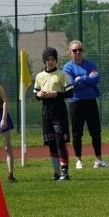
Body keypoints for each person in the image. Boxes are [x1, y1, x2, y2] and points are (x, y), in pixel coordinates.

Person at [63, 40, 109, 170]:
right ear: (70, 53)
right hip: (75, 103)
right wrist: (87, 79)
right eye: (75, 50)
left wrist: (81, 78)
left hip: (90, 102)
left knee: (95, 131)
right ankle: (78, 160)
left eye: (80, 50)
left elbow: (96, 79)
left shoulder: (90, 64)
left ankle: (98, 160)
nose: (78, 52)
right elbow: (72, 85)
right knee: (77, 132)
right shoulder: (67, 67)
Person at [34, 47, 74, 181]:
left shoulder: (61, 74)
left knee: (60, 141)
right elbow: (36, 94)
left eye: (53, 59)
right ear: (44, 61)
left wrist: (56, 94)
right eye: (48, 59)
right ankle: (56, 172)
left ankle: (65, 171)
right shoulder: (40, 76)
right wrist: (39, 94)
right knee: (50, 141)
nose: (50, 62)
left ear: (56, 60)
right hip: (46, 111)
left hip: (59, 110)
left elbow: (70, 92)